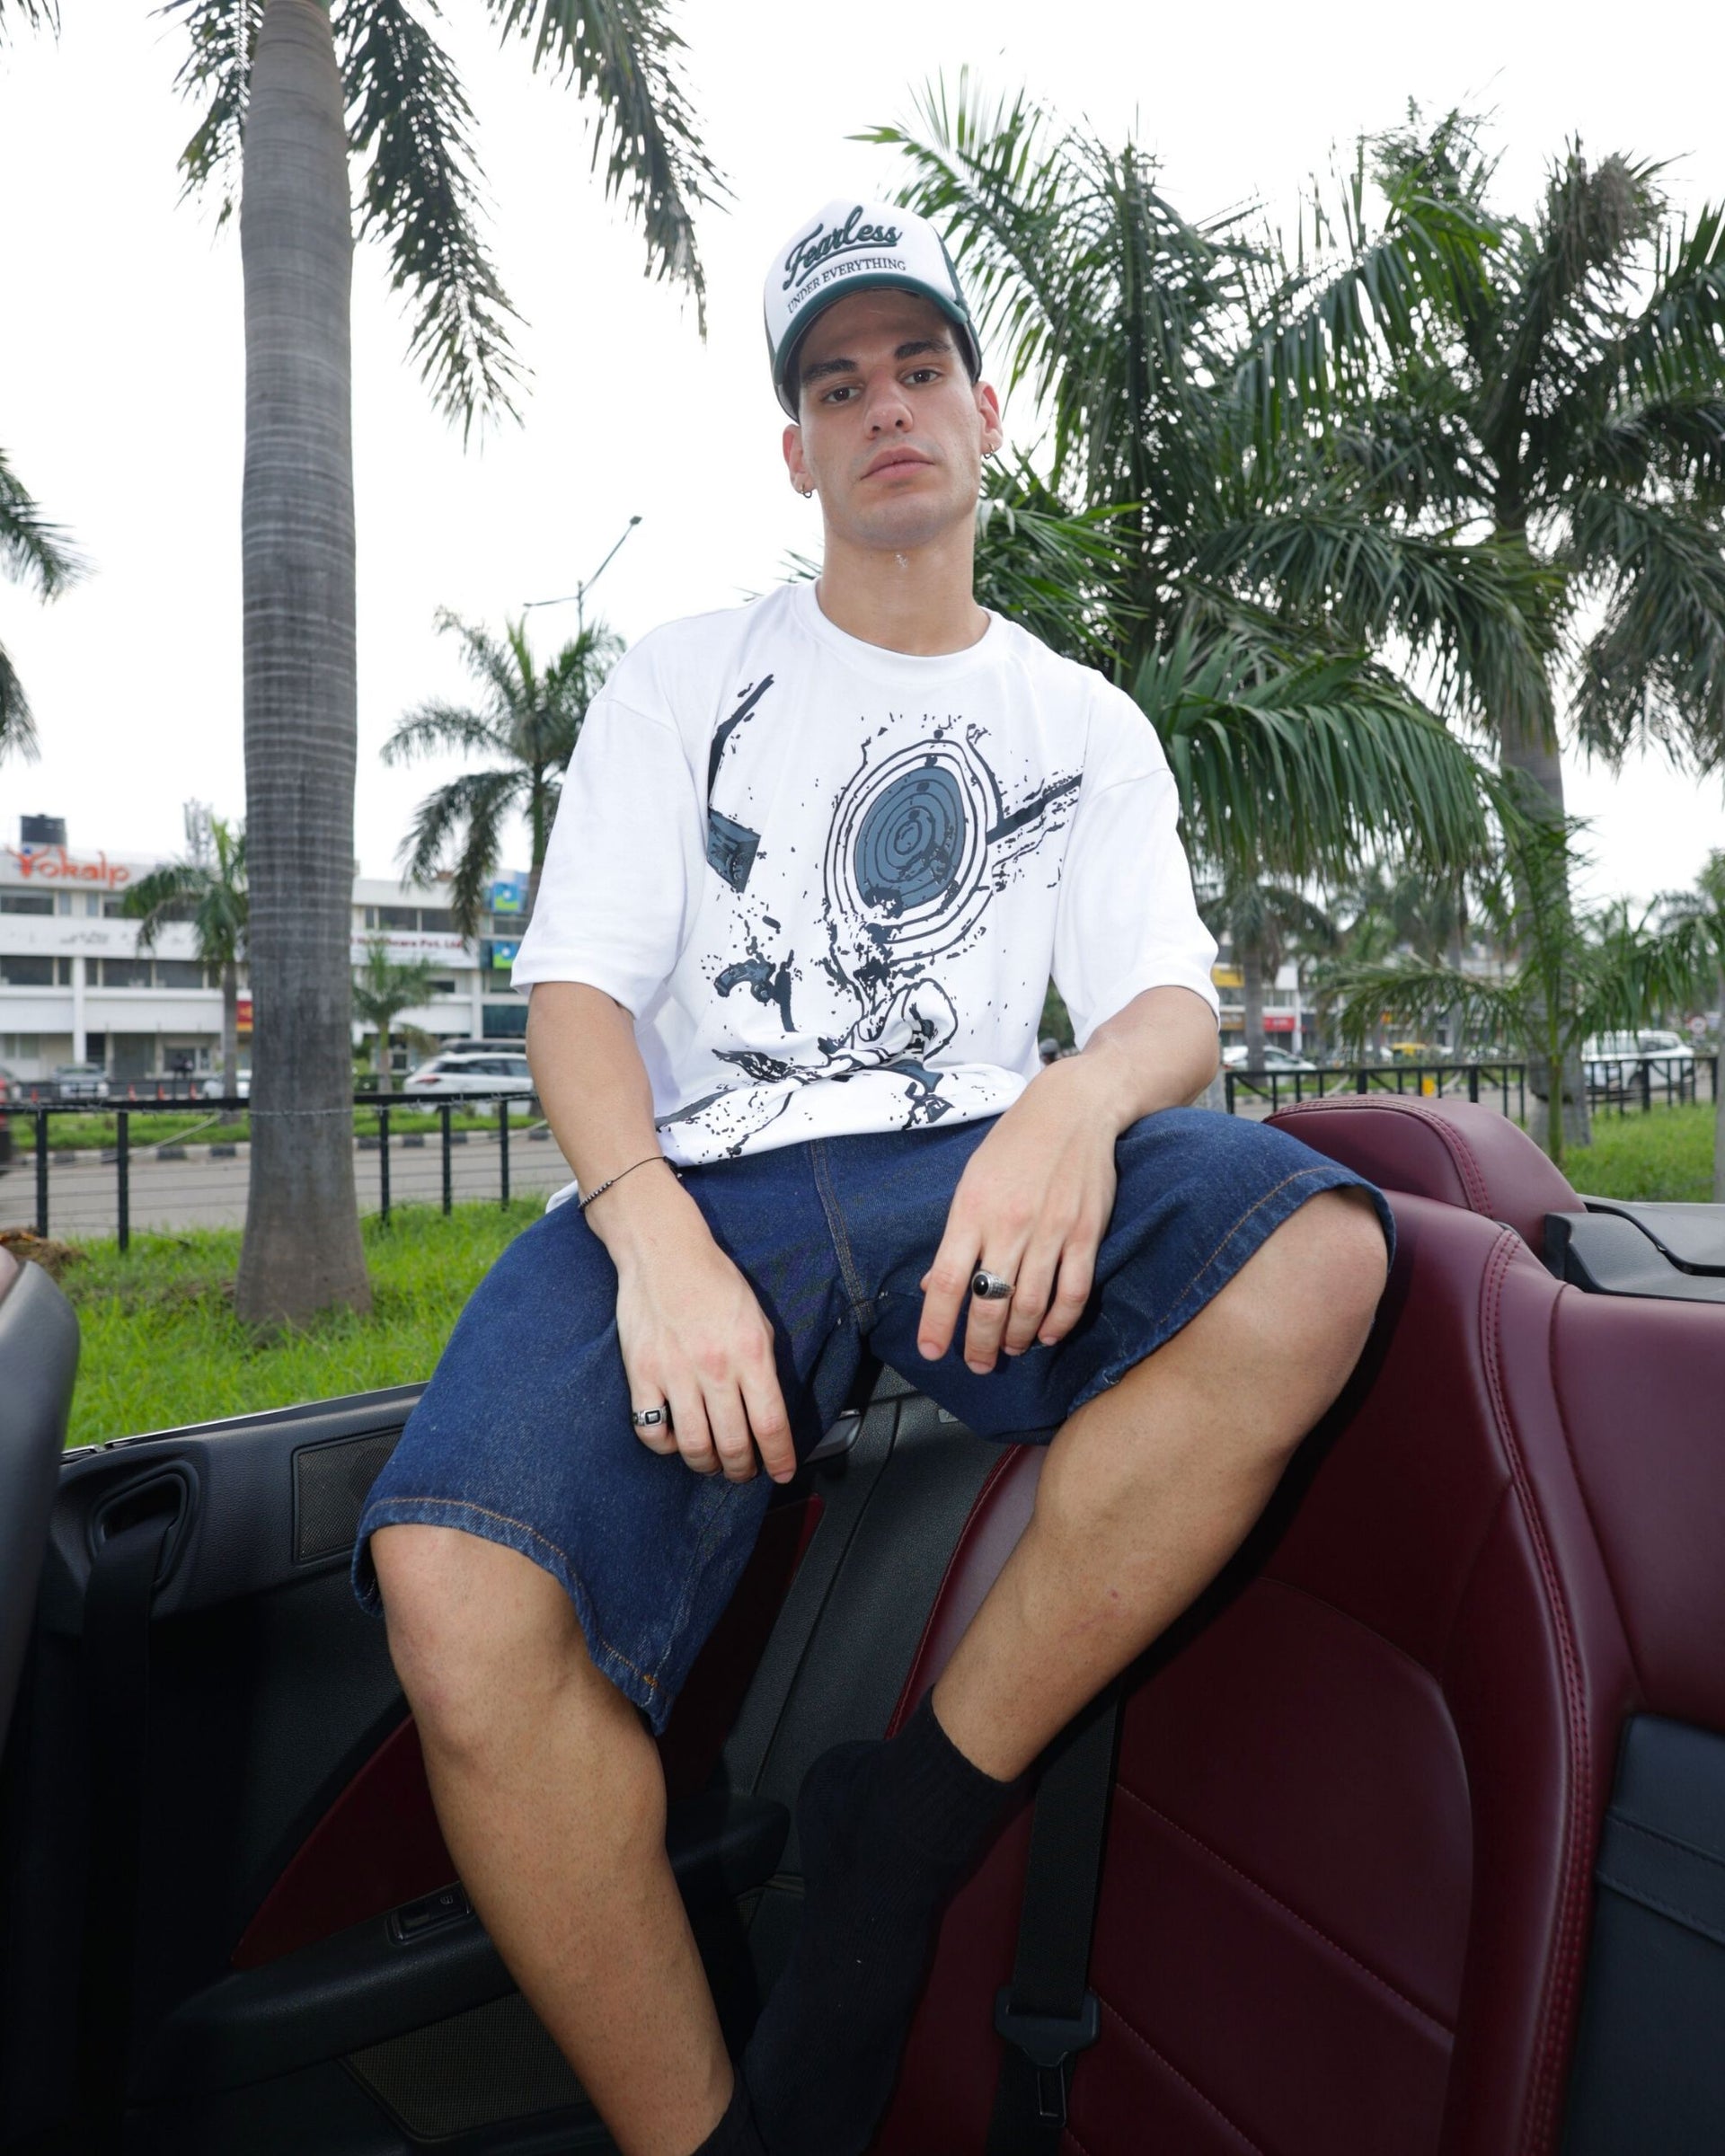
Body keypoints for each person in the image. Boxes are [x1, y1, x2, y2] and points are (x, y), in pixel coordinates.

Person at [354, 197, 1392, 2156]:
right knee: (451, 1589)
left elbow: (1172, 1005)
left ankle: (906, 1829)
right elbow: (573, 999)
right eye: (840, 386)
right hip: (699, 1183)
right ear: (798, 451)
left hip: (962, 1172)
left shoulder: (1079, 725)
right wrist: (654, 1242)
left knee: (1317, 1263)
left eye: (921, 368)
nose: (886, 407)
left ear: (987, 414)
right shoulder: (682, 678)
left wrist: (1073, 1105)